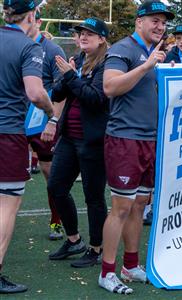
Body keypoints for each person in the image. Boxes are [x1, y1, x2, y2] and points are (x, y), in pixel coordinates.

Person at [100, 0, 174, 294]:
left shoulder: (155, 53)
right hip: (125, 138)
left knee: (140, 204)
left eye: (163, 22)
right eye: (154, 20)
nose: (160, 26)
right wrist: (146, 66)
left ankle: (131, 265)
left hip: (150, 139)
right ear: (139, 22)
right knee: (121, 206)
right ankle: (107, 271)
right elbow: (110, 87)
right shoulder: (123, 49)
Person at [47, 17, 110, 268]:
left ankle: (96, 248)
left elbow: (95, 98)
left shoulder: (108, 63)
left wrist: (72, 77)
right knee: (56, 186)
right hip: (69, 137)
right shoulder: (80, 60)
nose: (83, 36)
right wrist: (68, 77)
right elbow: (57, 93)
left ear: (102, 38)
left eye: (89, 33)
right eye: (81, 33)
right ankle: (74, 240)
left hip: (92, 140)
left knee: (93, 197)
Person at [0, 0, 54, 293]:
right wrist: (50, 112)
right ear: (32, 15)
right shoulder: (28, 45)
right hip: (7, 132)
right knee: (7, 205)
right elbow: (35, 93)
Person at [27, 10, 67, 240]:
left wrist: (52, 119)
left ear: (38, 21)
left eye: (29, 18)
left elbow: (61, 89)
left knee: (49, 172)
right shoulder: (12, 44)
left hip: (41, 117)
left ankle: (56, 220)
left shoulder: (52, 49)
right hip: (13, 118)